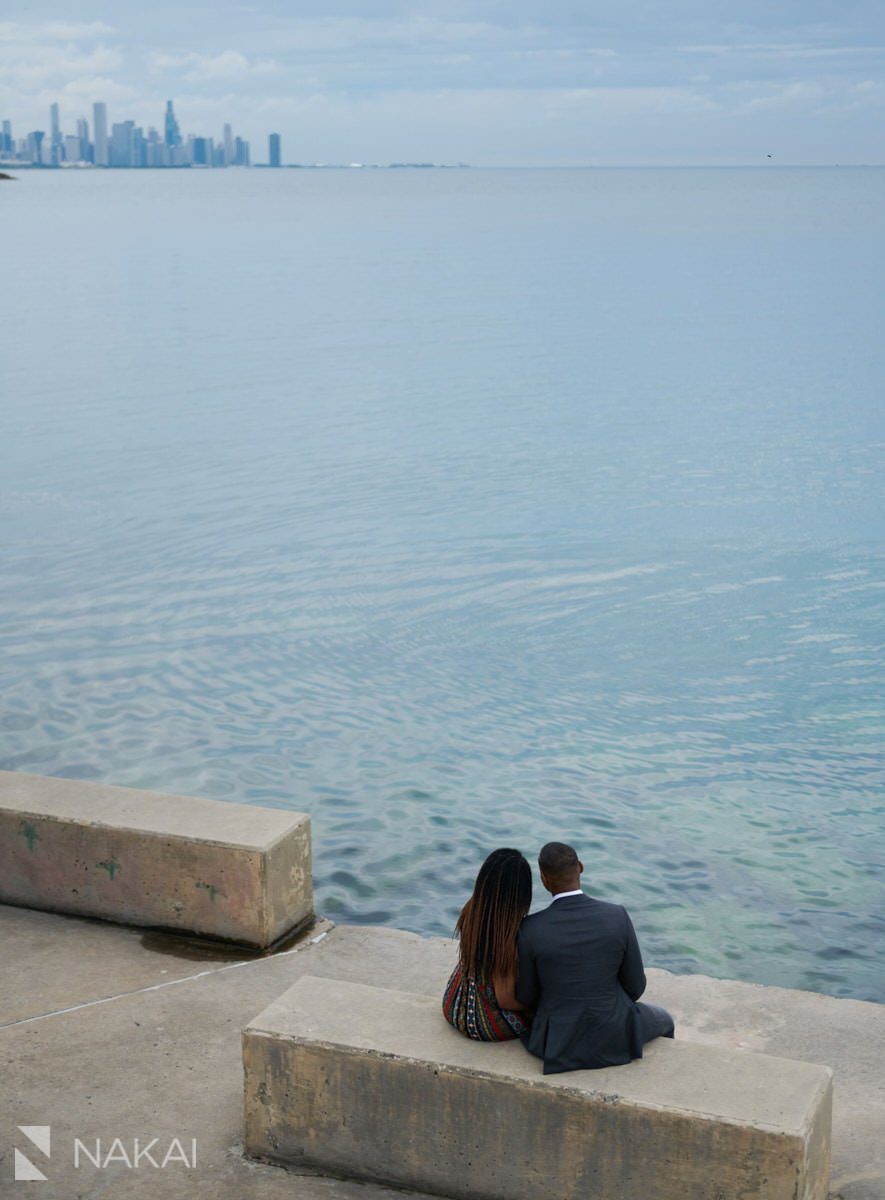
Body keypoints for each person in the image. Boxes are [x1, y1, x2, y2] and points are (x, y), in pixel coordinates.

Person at [516, 841, 674, 1074]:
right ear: (580, 867)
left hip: (555, 1042)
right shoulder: (617, 916)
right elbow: (636, 987)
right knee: (666, 1019)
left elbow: (527, 996)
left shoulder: (530, 928)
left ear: (544, 879)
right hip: (614, 1033)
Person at [442, 847, 533, 1041]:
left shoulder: (472, 910)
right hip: (487, 1023)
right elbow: (506, 999)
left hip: (454, 1004)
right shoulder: (507, 934)